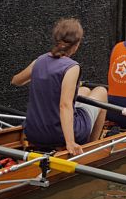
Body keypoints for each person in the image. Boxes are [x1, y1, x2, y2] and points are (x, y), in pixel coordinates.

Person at [12, 18, 108, 156]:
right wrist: (70, 142)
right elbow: (65, 105)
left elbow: (16, 81)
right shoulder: (72, 67)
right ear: (76, 45)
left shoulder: (38, 61)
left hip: (33, 133)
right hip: (60, 135)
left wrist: (41, 76)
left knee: (84, 90)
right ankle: (91, 147)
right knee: (101, 92)